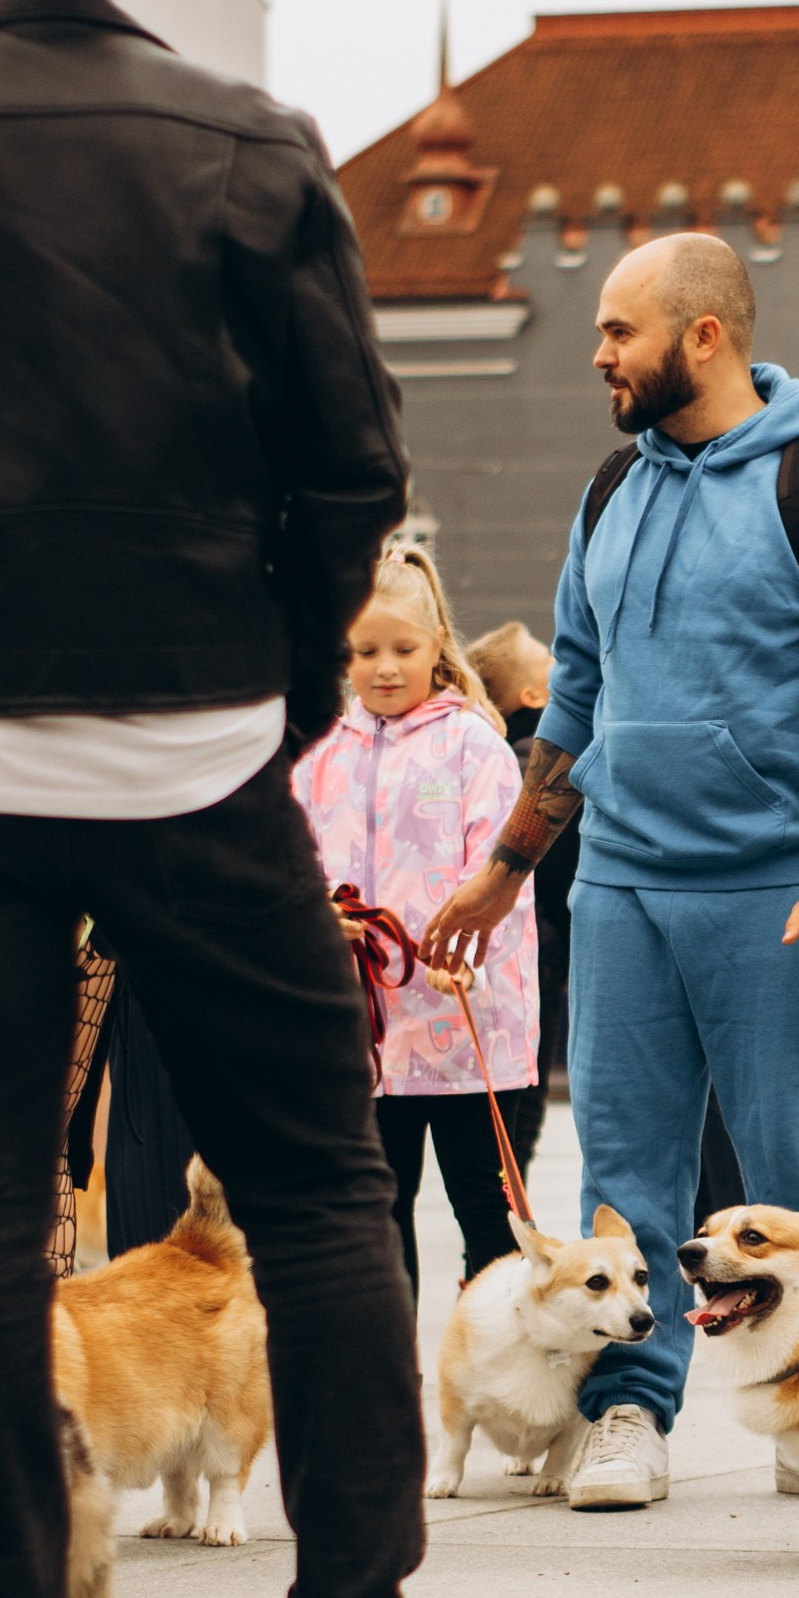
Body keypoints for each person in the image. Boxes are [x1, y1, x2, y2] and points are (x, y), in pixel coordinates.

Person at [0, 0, 459, 1598]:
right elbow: (352, 471)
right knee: (324, 1198)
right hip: (201, 747)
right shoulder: (250, 140)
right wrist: (266, 703)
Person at [422, 234, 799, 1510]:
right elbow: (571, 700)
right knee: (622, 1180)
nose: (597, 354)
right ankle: (627, 1416)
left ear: (702, 336)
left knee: (792, 1183)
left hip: (781, 896)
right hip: (624, 887)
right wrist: (501, 871)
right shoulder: (609, 490)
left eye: (617, 332)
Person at [295, 549, 538, 1304]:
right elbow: (293, 855)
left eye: (404, 649)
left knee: (484, 1209)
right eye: (365, 651)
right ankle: (391, 1376)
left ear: (439, 644)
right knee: (377, 1211)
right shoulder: (321, 753)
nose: (385, 668)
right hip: (369, 1037)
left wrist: (467, 950)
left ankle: (500, 1367)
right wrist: (315, 918)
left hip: (469, 1030)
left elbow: (501, 867)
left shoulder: (474, 744)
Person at [466, 618, 575, 1177]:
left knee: (516, 1098)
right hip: (546, 948)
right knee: (525, 1100)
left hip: (531, 946)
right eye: (551, 664)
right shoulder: (541, 760)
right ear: (533, 695)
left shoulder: (496, 756)